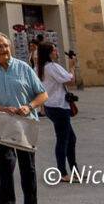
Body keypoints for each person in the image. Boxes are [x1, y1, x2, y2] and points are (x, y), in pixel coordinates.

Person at [0, 31, 48, 204]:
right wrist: (0, 108)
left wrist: (29, 106)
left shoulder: (23, 67)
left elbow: (43, 95)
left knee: (28, 168)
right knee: (6, 167)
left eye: (6, 46)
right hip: (2, 123)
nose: (4, 49)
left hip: (26, 123)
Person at [37, 42, 77, 183]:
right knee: (63, 140)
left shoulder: (40, 68)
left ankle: (74, 170)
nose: (56, 53)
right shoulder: (52, 67)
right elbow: (70, 81)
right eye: (54, 50)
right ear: (48, 53)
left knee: (71, 138)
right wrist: (72, 67)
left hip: (50, 105)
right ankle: (63, 172)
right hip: (59, 106)